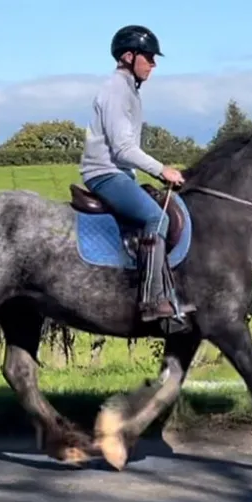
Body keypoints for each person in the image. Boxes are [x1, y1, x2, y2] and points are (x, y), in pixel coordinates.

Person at [79, 24, 195, 329]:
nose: (153, 64)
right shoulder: (117, 91)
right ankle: (152, 300)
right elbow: (123, 148)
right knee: (157, 218)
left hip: (118, 173)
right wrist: (161, 169)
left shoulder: (128, 90)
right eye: (149, 57)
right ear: (129, 56)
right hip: (106, 174)